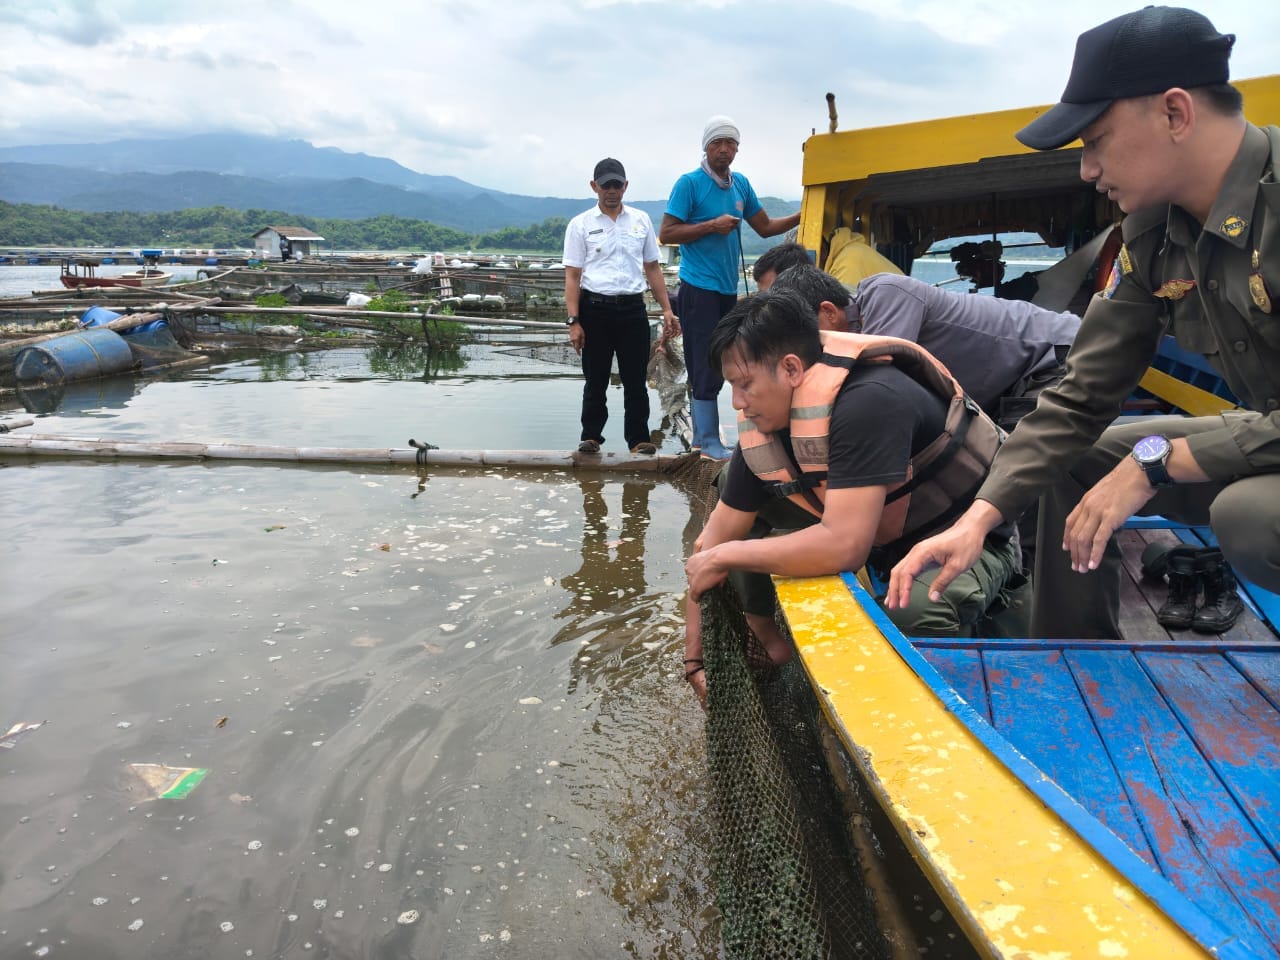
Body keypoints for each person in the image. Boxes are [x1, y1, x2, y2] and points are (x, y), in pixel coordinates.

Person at [887, 6, 1279, 639]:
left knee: (1251, 516)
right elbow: (1079, 396)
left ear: (1175, 113)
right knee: (1075, 456)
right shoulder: (1154, 233)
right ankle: (1075, 656)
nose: (1086, 171)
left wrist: (1157, 460)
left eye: (1095, 140)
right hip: (1264, 436)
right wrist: (979, 518)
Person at [682, 289, 1020, 705]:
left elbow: (845, 546)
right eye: (731, 386)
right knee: (730, 486)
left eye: (745, 384)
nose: (737, 403)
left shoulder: (869, 400)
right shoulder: (769, 420)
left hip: (966, 537)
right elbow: (707, 546)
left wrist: (726, 556)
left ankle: (955, 700)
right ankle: (766, 637)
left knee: (910, 611)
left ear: (790, 369)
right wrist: (693, 660)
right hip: (879, 529)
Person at [771, 264, 1080, 426]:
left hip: (1053, 356)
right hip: (1013, 382)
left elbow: (878, 381)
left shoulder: (885, 292)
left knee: (1019, 478)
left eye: (808, 333)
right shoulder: (857, 328)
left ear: (827, 310)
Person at [660, 116, 801, 460]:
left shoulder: (740, 185)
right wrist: (710, 226)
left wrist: (803, 214)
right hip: (698, 287)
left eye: (730, 144)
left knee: (733, 356)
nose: (724, 150)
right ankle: (705, 439)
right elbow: (667, 233)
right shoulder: (689, 184)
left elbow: (765, 227)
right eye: (717, 144)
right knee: (702, 359)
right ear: (706, 148)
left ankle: (717, 434)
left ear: (738, 148)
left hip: (727, 287)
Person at [563, 158, 679, 456]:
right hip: (594, 310)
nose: (612, 191)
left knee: (635, 378)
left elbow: (652, 268)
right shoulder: (580, 224)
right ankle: (591, 437)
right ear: (595, 187)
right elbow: (573, 277)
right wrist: (574, 321)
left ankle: (638, 439)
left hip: (632, 310)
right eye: (606, 185)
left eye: (617, 184)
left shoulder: (640, 220)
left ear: (625, 186)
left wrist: (667, 309)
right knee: (596, 378)